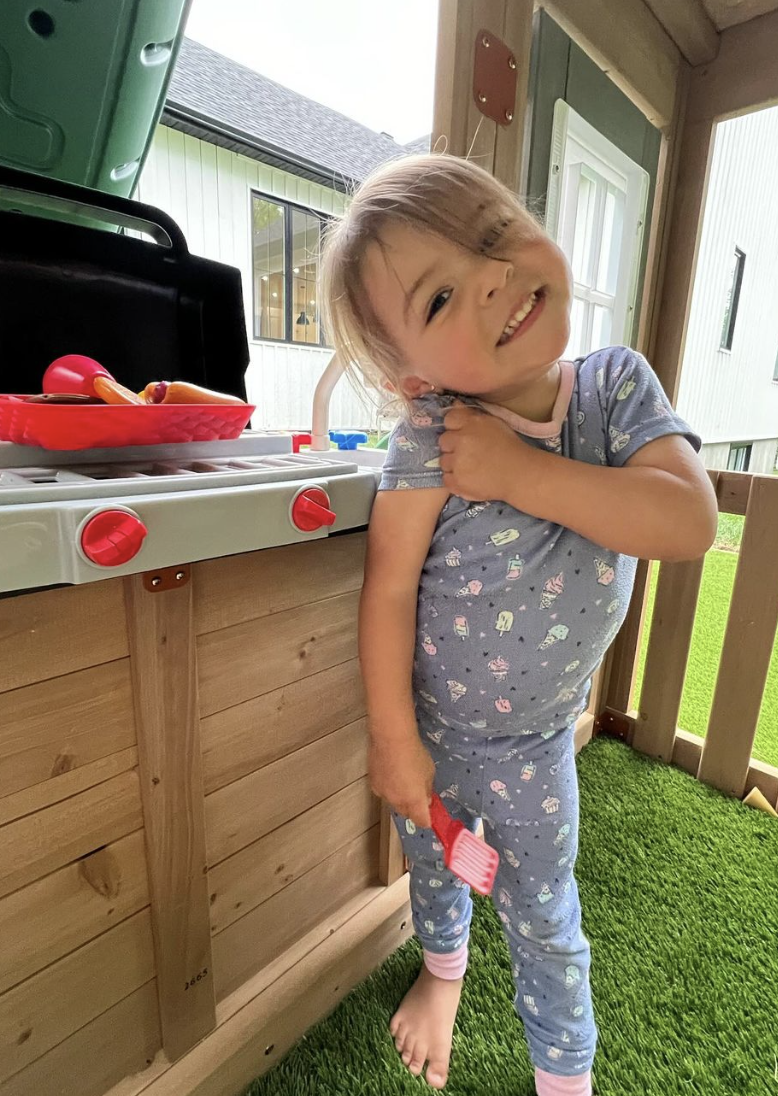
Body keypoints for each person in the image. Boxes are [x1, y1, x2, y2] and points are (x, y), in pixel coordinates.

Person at [320, 154, 717, 1095]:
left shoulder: (615, 389)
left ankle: (565, 1079)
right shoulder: (430, 434)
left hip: (539, 744)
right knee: (435, 866)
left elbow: (687, 520)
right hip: (432, 728)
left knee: (544, 914)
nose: (495, 277)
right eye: (441, 294)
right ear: (409, 376)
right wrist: (393, 743)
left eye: (495, 234)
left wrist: (518, 471)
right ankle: (444, 971)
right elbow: (387, 590)